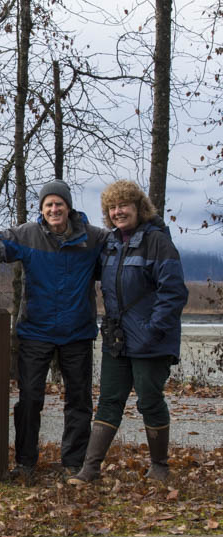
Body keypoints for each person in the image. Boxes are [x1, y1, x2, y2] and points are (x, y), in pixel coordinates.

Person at [0, 179, 107, 481]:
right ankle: (25, 463)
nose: (53, 208)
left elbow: (121, 243)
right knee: (30, 398)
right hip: (36, 331)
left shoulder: (92, 238)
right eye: (48, 204)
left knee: (79, 400)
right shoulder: (28, 234)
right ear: (42, 209)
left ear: (68, 206)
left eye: (58, 203)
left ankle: (74, 463)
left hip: (77, 333)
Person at [69, 180, 188, 485]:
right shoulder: (109, 243)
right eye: (112, 207)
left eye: (124, 205)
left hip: (152, 339)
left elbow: (173, 292)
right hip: (117, 338)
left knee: (149, 400)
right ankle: (90, 469)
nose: (118, 212)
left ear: (138, 208)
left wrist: (153, 330)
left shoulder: (158, 242)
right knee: (109, 400)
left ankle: (160, 466)